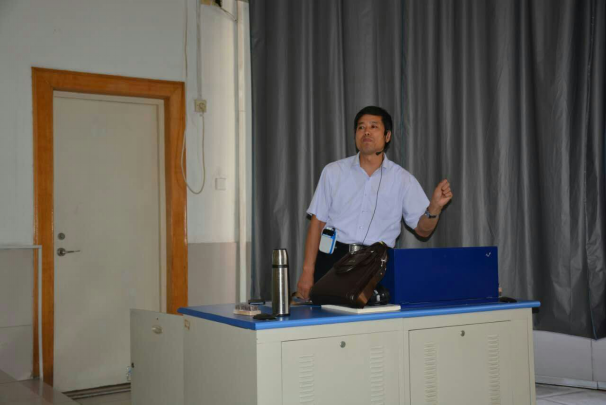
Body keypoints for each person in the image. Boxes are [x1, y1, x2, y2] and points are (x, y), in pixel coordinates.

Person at [296, 106, 453, 299]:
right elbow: (317, 224)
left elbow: (423, 230)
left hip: (377, 265)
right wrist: (307, 272)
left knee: (377, 317)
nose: (366, 132)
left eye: (373, 126)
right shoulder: (333, 172)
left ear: (387, 136)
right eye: (361, 127)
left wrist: (434, 208)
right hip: (333, 260)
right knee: (328, 316)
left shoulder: (403, 179)